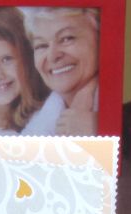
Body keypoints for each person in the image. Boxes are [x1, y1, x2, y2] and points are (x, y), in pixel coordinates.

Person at [22, 7, 99, 136]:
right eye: (42, 45)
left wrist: (102, 128)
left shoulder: (124, 109)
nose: (52, 56)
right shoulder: (38, 124)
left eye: (67, 38)